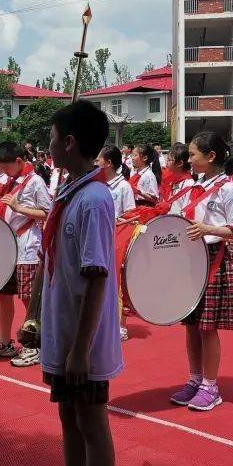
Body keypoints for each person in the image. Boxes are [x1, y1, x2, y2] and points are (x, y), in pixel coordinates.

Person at [27, 100, 119, 466]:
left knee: (91, 422)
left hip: (86, 337)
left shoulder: (95, 200)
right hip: (63, 330)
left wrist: (81, 350)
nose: (46, 146)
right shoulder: (68, 192)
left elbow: (97, 276)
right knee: (68, 418)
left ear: (69, 143)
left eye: (51, 138)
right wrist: (38, 320)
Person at [168, 131, 233, 412]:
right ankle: (194, 379)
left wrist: (208, 229)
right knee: (191, 326)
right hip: (190, 259)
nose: (188, 159)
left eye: (192, 155)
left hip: (213, 258)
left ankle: (211, 386)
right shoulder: (191, 187)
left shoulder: (227, 188)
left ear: (211, 156)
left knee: (208, 328)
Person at [0, 142, 52, 367]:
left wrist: (19, 208)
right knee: (4, 295)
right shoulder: (12, 180)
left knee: (28, 299)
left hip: (27, 246)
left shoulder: (36, 181)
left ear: (19, 162)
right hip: (9, 246)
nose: (2, 171)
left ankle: (35, 345)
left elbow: (47, 212)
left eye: (5, 167)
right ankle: (5, 341)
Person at [97, 146, 134, 341]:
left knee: (118, 281)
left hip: (117, 237)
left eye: (98, 160)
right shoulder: (99, 184)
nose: (96, 163)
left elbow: (130, 215)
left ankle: (121, 325)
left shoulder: (123, 186)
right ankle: (104, 320)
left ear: (108, 163)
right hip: (100, 237)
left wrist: (119, 222)